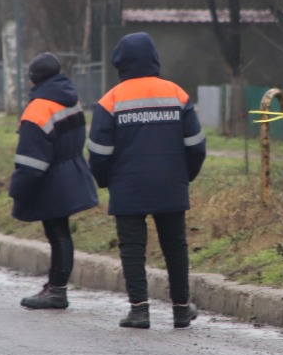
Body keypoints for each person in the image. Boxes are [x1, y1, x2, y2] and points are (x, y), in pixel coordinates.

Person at [87, 32, 207, 329]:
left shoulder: (110, 100)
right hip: (170, 183)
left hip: (127, 185)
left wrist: (105, 181)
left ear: (121, 64)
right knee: (175, 246)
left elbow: (99, 152)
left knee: (131, 247)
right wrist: (184, 177)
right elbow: (196, 145)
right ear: (154, 59)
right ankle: (181, 308)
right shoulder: (176, 94)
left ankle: (139, 310)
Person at [11, 52, 99, 309]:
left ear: (32, 80)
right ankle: (57, 288)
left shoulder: (37, 109)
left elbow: (31, 162)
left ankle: (57, 291)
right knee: (61, 233)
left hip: (52, 179)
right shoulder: (71, 99)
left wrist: (17, 191)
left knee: (57, 233)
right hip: (72, 170)